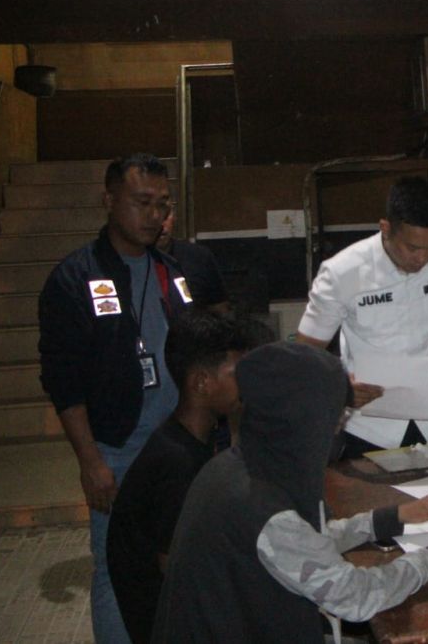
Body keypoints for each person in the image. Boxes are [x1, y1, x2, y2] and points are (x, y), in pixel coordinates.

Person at [152, 342, 428, 642]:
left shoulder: (240, 464)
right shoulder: (260, 505)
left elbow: (303, 542)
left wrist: (390, 519)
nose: (336, 429)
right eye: (331, 419)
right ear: (299, 421)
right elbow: (356, 597)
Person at [38, 153, 192, 643]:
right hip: (118, 449)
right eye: (142, 202)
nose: (155, 215)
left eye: (162, 204)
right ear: (108, 201)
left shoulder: (171, 272)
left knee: (182, 560)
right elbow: (63, 380)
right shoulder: (74, 278)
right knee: (114, 571)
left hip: (178, 445)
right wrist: (90, 460)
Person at [107, 309, 272, 644]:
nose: (248, 382)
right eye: (238, 372)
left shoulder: (187, 440)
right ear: (201, 382)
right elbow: (178, 571)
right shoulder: (177, 463)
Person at [296, 176, 428, 457]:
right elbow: (305, 351)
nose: (423, 258)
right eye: (412, 248)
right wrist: (338, 385)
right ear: (385, 229)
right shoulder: (342, 272)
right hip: (370, 423)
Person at [156, 205, 230, 313]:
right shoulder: (130, 263)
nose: (162, 225)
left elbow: (219, 307)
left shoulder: (198, 257)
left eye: (166, 215)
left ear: (174, 216)